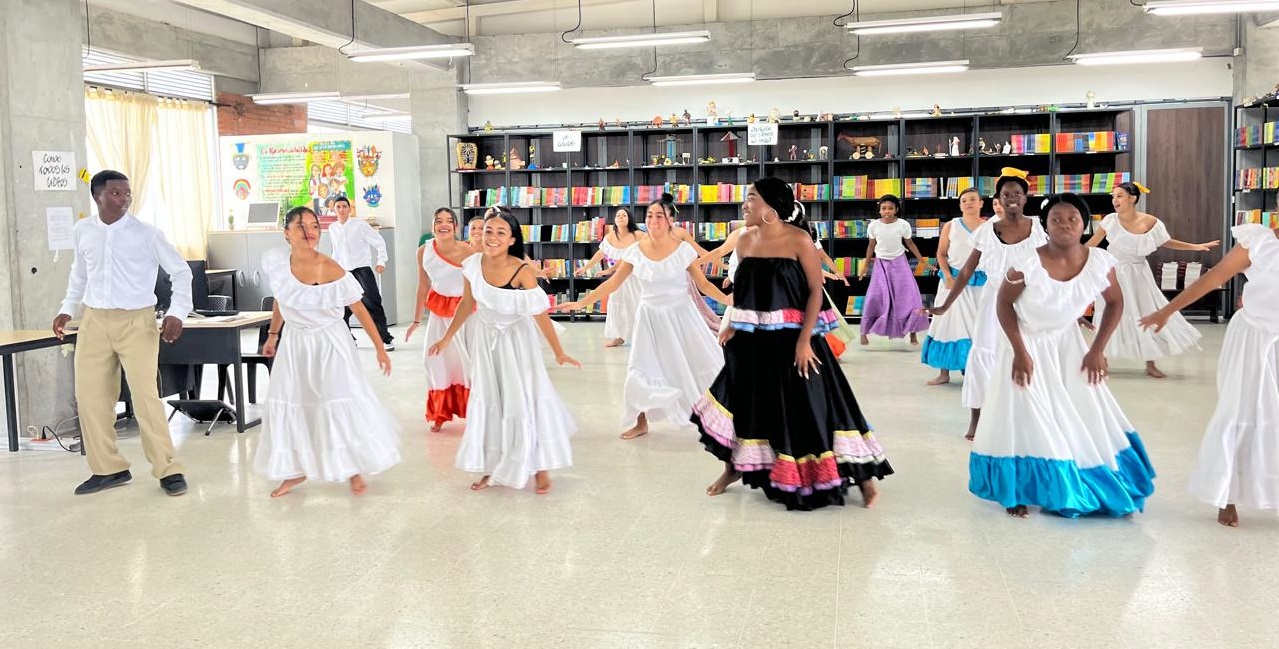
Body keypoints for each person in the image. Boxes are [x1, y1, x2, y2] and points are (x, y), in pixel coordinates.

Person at [692, 178, 892, 510]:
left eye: (751, 198)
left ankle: (864, 479)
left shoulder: (800, 240)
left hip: (797, 340)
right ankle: (733, 469)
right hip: (753, 340)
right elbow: (743, 289)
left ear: (771, 207)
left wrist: (804, 342)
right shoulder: (744, 241)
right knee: (745, 403)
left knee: (821, 403)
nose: (745, 205)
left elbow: (815, 292)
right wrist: (730, 323)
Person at [969, 194, 1155, 518]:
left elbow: (1115, 303)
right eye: (1056, 219)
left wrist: (1098, 349)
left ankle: (1081, 472)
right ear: (1046, 225)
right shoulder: (1025, 263)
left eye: (1073, 218)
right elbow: (1003, 305)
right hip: (1024, 344)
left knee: (1083, 410)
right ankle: (1017, 490)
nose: (1065, 224)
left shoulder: (1099, 262)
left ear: (1085, 225)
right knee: (1026, 415)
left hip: (1068, 343)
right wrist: (1019, 351)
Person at [53, 170, 191, 497]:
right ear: (97, 196)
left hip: (137, 321)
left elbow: (180, 272)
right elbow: (80, 275)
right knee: (90, 397)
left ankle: (167, 469)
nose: (124, 199)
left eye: (127, 193)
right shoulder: (82, 230)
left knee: (145, 397)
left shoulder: (146, 234)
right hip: (94, 321)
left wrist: (176, 313)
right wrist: (66, 308)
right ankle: (108, 469)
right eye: (116, 193)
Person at [428, 207, 579, 494]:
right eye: (487, 231)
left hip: (517, 343)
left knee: (523, 399)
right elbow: (465, 304)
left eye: (500, 232)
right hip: (485, 341)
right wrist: (447, 338)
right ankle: (491, 466)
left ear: (511, 239)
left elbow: (539, 313)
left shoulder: (522, 271)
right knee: (490, 399)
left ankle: (540, 466)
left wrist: (558, 351)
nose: (492, 237)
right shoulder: (472, 265)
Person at [558, 194, 732, 440]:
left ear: (671, 220)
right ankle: (640, 421)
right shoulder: (635, 251)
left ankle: (721, 415)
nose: (653, 220)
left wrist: (728, 300)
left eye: (659, 216)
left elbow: (703, 284)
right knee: (640, 368)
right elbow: (613, 283)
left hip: (682, 315)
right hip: (648, 317)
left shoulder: (683, 250)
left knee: (702, 361)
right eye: (649, 215)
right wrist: (582, 302)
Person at [254, 207, 399, 497]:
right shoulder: (277, 262)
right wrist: (272, 335)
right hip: (295, 344)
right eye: (301, 226)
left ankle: (353, 469)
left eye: (314, 226)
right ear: (286, 233)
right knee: (294, 402)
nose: (309, 232)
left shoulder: (331, 267)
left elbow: (359, 308)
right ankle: (295, 470)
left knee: (336, 399)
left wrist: (379, 348)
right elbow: (282, 300)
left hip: (329, 343)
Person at [1141, 223, 1278, 528]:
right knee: (1240, 411)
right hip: (1253, 338)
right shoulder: (1258, 241)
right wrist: (1168, 311)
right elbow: (1215, 276)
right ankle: (1226, 495)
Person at [926, 169, 1047, 441]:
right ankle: (977, 420)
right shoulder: (987, 230)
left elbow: (1049, 267)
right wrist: (945, 305)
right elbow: (967, 270)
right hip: (993, 299)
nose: (1012, 198)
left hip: (1029, 299)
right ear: (998, 200)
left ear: (1026, 198)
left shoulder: (1038, 228)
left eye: (1017, 193)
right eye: (1006, 194)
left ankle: (1028, 417)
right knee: (984, 355)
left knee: (1030, 356)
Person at [1085, 182, 1219, 379]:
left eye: (1120, 196)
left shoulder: (1151, 223)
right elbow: (1090, 245)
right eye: (1113, 196)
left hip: (1139, 274)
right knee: (1108, 313)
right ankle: (1102, 358)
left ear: (1133, 198)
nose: (1115, 200)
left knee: (1146, 313)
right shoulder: (1110, 221)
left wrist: (1195, 247)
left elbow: (1166, 241)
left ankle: (1151, 362)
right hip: (1113, 273)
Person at [405, 208, 474, 432]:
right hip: (438, 314)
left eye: (448, 221)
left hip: (466, 315)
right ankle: (440, 413)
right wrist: (416, 321)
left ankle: (476, 411)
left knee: (468, 363)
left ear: (455, 226)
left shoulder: (469, 251)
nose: (443, 225)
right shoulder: (423, 252)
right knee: (435, 361)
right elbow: (423, 286)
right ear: (433, 225)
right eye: (438, 221)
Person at [921, 187, 989, 385]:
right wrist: (949, 276)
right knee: (946, 325)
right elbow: (941, 254)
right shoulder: (951, 225)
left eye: (972, 199)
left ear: (981, 203)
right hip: (951, 283)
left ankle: (974, 371)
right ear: (960, 205)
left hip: (978, 284)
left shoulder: (989, 227)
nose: (968, 203)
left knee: (977, 326)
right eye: (964, 200)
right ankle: (944, 373)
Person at [858, 194, 929, 346]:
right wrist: (865, 266)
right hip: (881, 264)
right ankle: (864, 332)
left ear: (896, 209)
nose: (887, 211)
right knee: (874, 296)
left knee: (910, 297)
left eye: (890, 208)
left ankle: (913, 333)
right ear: (879, 210)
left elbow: (909, 243)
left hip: (900, 263)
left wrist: (922, 260)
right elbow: (871, 246)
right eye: (884, 208)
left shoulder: (903, 225)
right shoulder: (874, 226)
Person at [326, 196, 395, 350]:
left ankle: (385, 338)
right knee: (342, 306)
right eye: (338, 207)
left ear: (350, 209)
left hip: (362, 269)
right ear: (334, 209)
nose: (342, 210)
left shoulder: (360, 225)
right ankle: (349, 338)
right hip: (344, 272)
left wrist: (381, 261)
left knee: (372, 303)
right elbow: (336, 252)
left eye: (345, 206)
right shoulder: (333, 228)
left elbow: (379, 242)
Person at [575, 207, 643, 347]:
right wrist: (585, 268)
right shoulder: (610, 236)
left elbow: (631, 256)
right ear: (615, 220)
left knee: (637, 304)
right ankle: (620, 335)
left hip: (635, 276)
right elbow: (600, 254)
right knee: (617, 305)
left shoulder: (639, 235)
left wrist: (609, 270)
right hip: (618, 279)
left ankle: (642, 335)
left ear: (629, 218)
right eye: (618, 215)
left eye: (624, 215)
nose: (621, 217)